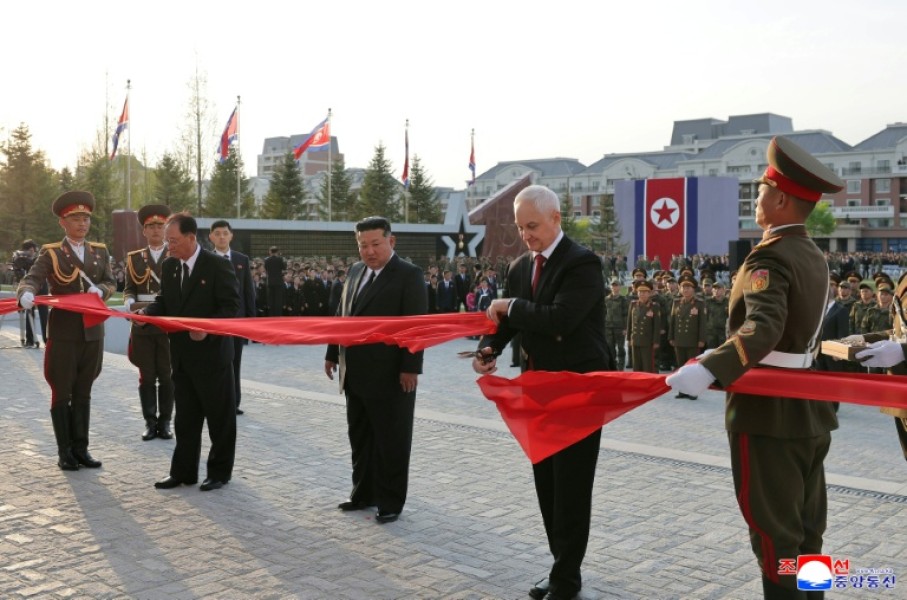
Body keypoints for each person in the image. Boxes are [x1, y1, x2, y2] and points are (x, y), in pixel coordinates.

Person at [667, 135, 844, 599]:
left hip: (769, 412)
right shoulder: (811, 253)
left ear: (781, 199)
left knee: (775, 537)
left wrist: (711, 367)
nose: (756, 197)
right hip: (808, 407)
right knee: (808, 534)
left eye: (762, 189)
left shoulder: (770, 254)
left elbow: (763, 326)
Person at [472, 185, 613, 600]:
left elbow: (561, 319)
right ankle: (560, 566)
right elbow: (507, 324)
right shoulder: (520, 267)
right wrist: (488, 349)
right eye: (520, 228)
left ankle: (567, 578)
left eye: (532, 226)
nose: (526, 235)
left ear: (556, 219)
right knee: (547, 484)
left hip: (578, 391)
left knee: (571, 486)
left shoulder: (581, 262)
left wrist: (510, 307)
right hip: (537, 390)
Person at [324, 216, 427, 524]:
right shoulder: (355, 271)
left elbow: (416, 326)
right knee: (360, 437)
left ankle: (390, 501)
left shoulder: (409, 275)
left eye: (375, 244)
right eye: (363, 245)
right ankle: (363, 493)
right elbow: (342, 314)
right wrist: (332, 352)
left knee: (391, 440)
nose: (369, 251)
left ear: (391, 241)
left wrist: (410, 368)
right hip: (353, 371)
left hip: (390, 374)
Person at [17, 191, 116, 471]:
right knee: (62, 390)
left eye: (86, 219)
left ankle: (81, 449)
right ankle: (65, 451)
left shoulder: (100, 251)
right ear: (63, 222)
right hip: (64, 331)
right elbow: (31, 279)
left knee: (84, 389)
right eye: (76, 219)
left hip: (92, 331)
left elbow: (111, 282)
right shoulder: (52, 252)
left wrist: (103, 290)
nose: (82, 224)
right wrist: (26, 293)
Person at [141, 213, 240, 492]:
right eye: (167, 241)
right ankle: (183, 472)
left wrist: (208, 329)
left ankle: (219, 473)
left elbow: (231, 307)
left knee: (219, 419)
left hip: (212, 357)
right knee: (185, 419)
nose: (168, 246)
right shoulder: (170, 265)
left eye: (173, 241)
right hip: (182, 357)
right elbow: (165, 300)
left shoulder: (217, 265)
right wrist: (147, 313)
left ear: (191, 238)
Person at [123, 204, 174, 441]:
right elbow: (129, 288)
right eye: (150, 226)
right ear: (144, 231)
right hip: (142, 322)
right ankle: (150, 422)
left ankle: (165, 422)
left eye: (160, 226)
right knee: (146, 376)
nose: (155, 230)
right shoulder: (134, 258)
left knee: (166, 375)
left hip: (166, 323)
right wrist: (129, 301)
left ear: (166, 229)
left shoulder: (175, 256)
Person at [208, 219, 256, 415]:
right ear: (211, 237)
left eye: (225, 233)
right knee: (215, 363)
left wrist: (251, 323)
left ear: (231, 236)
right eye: (217, 233)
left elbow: (248, 291)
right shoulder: (205, 260)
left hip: (237, 322)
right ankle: (215, 400)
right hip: (214, 322)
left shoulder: (241, 260)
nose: (221, 237)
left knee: (235, 362)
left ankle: (234, 402)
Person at [668, 275, 706, 399]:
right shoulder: (676, 302)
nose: (685, 290)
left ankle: (693, 391)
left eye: (688, 287)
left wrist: (701, 339)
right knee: (681, 367)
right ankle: (682, 390)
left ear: (693, 289)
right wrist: (671, 337)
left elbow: (702, 323)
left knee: (692, 368)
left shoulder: (699, 304)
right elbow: (672, 321)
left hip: (692, 340)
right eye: (683, 287)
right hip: (679, 339)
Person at [627, 279, 661, 373]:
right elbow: (629, 322)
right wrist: (629, 338)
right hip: (635, 339)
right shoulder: (633, 305)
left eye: (645, 292)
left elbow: (656, 325)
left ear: (649, 293)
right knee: (636, 365)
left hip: (647, 340)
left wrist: (656, 341)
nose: (642, 294)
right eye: (640, 292)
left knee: (647, 365)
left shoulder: (654, 306)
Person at [603, 278, 629, 370]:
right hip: (608, 327)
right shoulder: (606, 299)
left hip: (619, 327)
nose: (614, 287)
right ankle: (613, 367)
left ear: (619, 287)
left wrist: (625, 328)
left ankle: (621, 367)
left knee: (621, 348)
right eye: (613, 286)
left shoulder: (623, 300)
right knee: (610, 348)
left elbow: (626, 315)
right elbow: (603, 313)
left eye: (616, 285)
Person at [264, 246, 286, 316]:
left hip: (270, 282)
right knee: (278, 300)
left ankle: (271, 314)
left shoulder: (267, 260)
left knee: (271, 299)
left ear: (270, 252)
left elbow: (266, 268)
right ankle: (278, 314)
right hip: (278, 282)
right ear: (277, 252)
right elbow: (284, 267)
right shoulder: (280, 259)